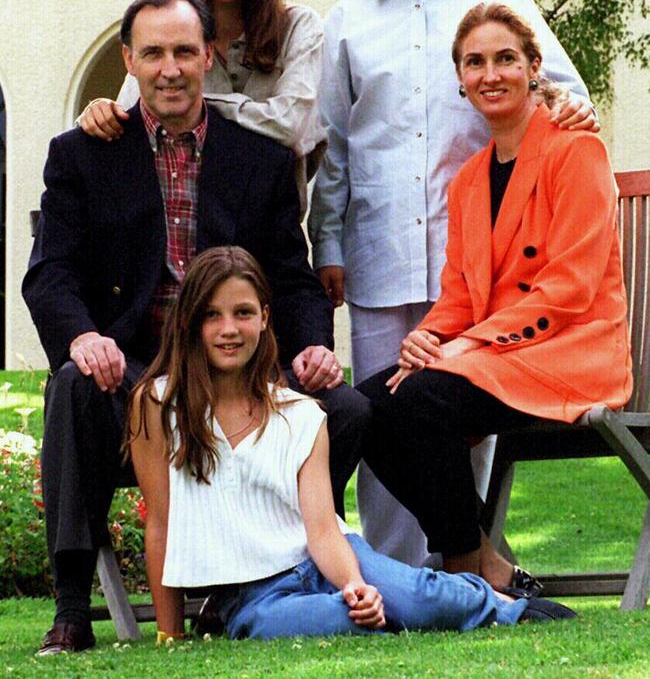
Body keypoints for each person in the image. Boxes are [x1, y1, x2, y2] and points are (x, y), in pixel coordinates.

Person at [23, 0, 367, 656]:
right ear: (130, 60)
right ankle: (70, 609)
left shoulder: (261, 160)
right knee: (70, 385)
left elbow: (292, 279)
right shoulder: (82, 155)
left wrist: (311, 348)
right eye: (153, 53)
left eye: (184, 50)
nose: (170, 67)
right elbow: (50, 273)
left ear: (208, 55)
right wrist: (84, 335)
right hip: (131, 373)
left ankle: (261, 571)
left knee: (344, 407)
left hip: (237, 377)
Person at [308, 0, 599, 568]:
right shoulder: (349, 18)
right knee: (386, 414)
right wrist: (331, 246)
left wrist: (565, 113)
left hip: (485, 260)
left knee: (461, 420)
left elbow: (564, 92)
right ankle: (400, 580)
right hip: (378, 251)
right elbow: (335, 150)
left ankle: (464, 572)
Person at [128, 244, 574, 643]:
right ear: (189, 321)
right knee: (337, 621)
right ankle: (383, 609)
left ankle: (500, 605)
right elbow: (163, 526)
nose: (229, 328)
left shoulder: (300, 414)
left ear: (265, 317)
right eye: (212, 315)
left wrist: (353, 584)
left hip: (330, 560)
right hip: (255, 596)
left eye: (243, 312)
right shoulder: (158, 404)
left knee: (416, 598)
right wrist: (170, 632)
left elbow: (322, 530)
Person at [357, 2, 632, 590]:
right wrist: (427, 339)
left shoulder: (576, 150)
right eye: (475, 62)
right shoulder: (469, 181)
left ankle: (460, 567)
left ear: (535, 67)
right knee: (369, 404)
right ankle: (486, 563)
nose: (491, 74)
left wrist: (465, 348)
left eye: (506, 59)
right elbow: (459, 294)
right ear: (460, 78)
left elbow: (570, 286)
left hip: (569, 354)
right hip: (501, 357)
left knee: (424, 398)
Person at [79, 0, 326, 215]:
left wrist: (192, 103)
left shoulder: (300, 28)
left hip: (270, 236)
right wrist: (99, 112)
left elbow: (291, 126)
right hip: (185, 231)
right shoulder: (168, 34)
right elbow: (133, 122)